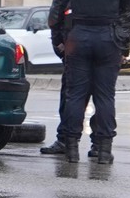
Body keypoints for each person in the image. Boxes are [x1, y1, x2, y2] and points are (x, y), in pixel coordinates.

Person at [43, 0, 130, 164]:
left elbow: (56, 13)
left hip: (78, 39)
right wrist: (124, 47)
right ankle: (104, 151)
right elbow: (129, 13)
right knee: (105, 97)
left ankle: (71, 148)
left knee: (75, 95)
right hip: (109, 40)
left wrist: (59, 42)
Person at [40, 8, 103, 158]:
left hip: (78, 49)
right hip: (103, 48)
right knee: (101, 99)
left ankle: (68, 142)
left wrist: (60, 45)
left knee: (73, 98)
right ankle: (100, 146)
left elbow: (56, 16)